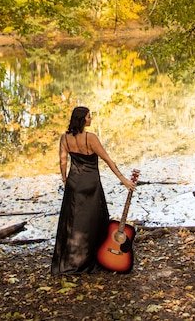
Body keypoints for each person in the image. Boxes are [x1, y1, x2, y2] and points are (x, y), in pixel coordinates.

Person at [51, 105, 136, 276]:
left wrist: (65, 179)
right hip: (91, 184)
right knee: (93, 221)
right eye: (89, 116)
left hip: (74, 183)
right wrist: (124, 179)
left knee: (73, 222)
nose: (91, 119)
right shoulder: (91, 138)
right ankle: (95, 258)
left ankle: (70, 260)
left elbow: (63, 162)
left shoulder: (65, 138)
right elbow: (108, 160)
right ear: (82, 119)